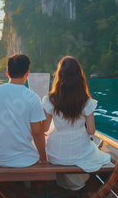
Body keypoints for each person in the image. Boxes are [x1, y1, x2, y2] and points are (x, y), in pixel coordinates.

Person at [41, 56, 110, 190]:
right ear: (79, 75)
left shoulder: (50, 99)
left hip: (56, 156)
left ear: (59, 75)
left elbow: (44, 128)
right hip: (81, 153)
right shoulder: (87, 101)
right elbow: (91, 131)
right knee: (101, 155)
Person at [0, 54, 47, 167]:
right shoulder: (33, 97)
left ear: (7, 72)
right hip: (25, 160)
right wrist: (43, 157)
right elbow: (37, 132)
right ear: (27, 73)